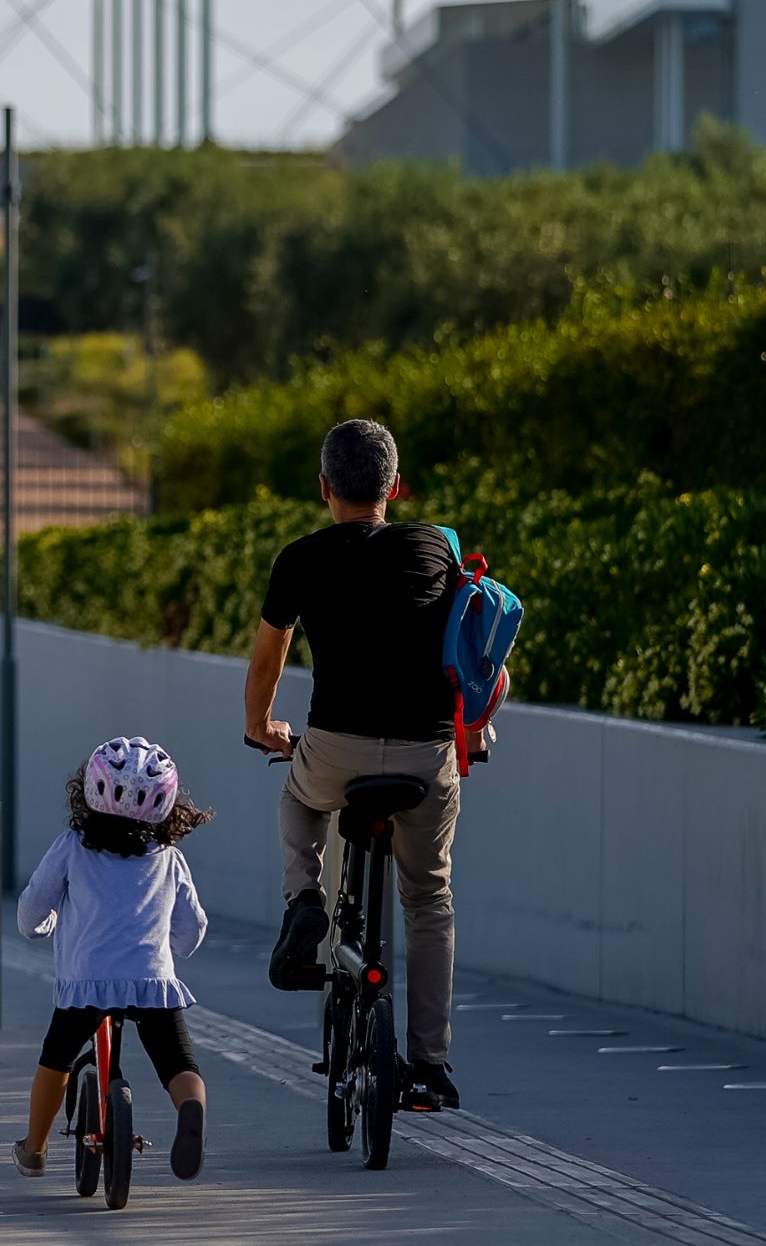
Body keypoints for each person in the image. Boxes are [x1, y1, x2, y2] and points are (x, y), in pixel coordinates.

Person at [244, 417, 493, 1113]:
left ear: (325, 487)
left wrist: (261, 727)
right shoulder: (436, 547)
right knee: (429, 900)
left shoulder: (300, 558)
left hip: (336, 745)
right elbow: (469, 651)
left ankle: (305, 902)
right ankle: (431, 1065)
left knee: (299, 796)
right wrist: (469, 734)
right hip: (427, 750)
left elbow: (269, 659)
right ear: (393, 485)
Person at [11, 737, 213, 1184]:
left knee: (57, 1059)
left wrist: (38, 927)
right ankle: (191, 1109)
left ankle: (35, 1149)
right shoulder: (170, 859)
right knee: (179, 1062)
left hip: (86, 983)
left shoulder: (72, 846)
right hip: (151, 982)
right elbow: (192, 927)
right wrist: (173, 948)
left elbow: (33, 907)